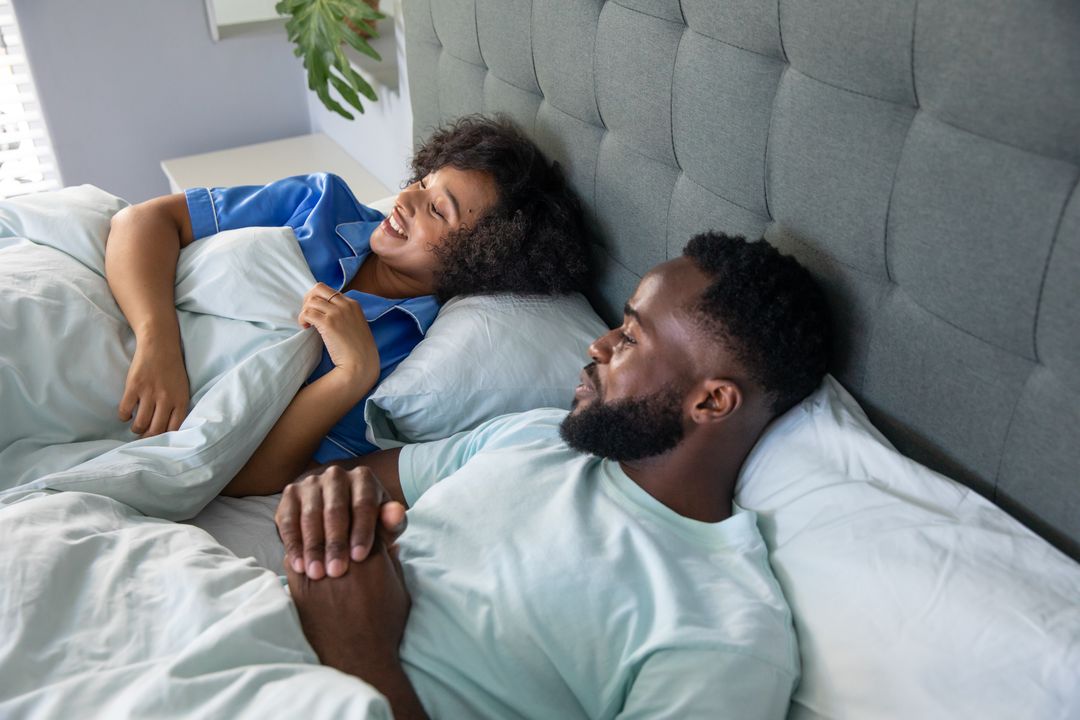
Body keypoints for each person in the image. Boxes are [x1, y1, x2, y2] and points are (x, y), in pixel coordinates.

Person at [274, 232, 833, 719]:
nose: (599, 345)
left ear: (711, 402)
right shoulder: (536, 435)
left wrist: (359, 656)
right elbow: (332, 482)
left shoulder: (723, 634)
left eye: (632, 337)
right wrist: (327, 506)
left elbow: (356, 650)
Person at [103, 114, 589, 497]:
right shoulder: (321, 202)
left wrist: (351, 374)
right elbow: (139, 223)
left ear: (485, 259)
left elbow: (250, 477)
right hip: (118, 323)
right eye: (422, 184)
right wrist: (156, 342)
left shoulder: (405, 356)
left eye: (438, 209)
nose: (404, 199)